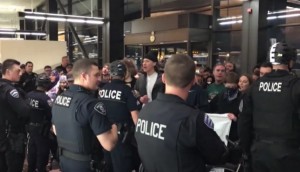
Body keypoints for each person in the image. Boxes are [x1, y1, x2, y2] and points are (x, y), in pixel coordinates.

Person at [135, 54, 228, 172]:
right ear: (193, 81)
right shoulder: (192, 119)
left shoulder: (145, 112)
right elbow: (218, 155)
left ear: (163, 78)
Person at [238, 42, 300, 172]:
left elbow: (244, 122)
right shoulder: (295, 86)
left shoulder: (255, 86)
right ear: (291, 62)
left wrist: (246, 151)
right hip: (289, 156)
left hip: (259, 153)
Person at [52, 59, 118, 172]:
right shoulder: (91, 104)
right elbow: (109, 144)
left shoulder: (59, 98)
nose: (99, 79)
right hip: (86, 165)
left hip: (65, 161)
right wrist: (114, 124)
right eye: (96, 75)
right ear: (84, 76)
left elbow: (55, 130)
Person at [98, 60, 139, 172]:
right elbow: (135, 115)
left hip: (105, 133)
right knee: (122, 166)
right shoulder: (127, 90)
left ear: (111, 74)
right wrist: (140, 136)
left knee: (108, 164)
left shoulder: (103, 89)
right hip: (122, 136)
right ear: (125, 74)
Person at [0, 59, 32, 172]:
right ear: (8, 72)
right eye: (17, 71)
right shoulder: (11, 91)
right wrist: (27, 101)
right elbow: (25, 111)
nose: (21, 73)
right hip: (12, 139)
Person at [27, 73, 52, 172]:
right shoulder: (45, 99)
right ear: (46, 85)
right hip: (42, 131)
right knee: (42, 153)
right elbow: (51, 115)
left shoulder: (28, 95)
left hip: (30, 128)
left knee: (31, 151)